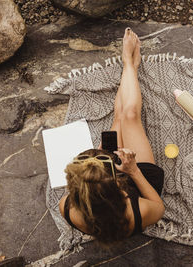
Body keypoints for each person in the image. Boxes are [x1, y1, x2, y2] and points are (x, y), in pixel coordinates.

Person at [59, 28, 165, 246]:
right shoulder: (137, 212)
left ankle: (130, 68)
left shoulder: (67, 207)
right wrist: (133, 170)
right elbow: (158, 206)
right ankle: (129, 64)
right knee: (129, 116)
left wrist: (99, 155)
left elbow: (82, 183)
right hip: (139, 181)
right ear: (120, 191)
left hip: (102, 183)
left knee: (117, 119)